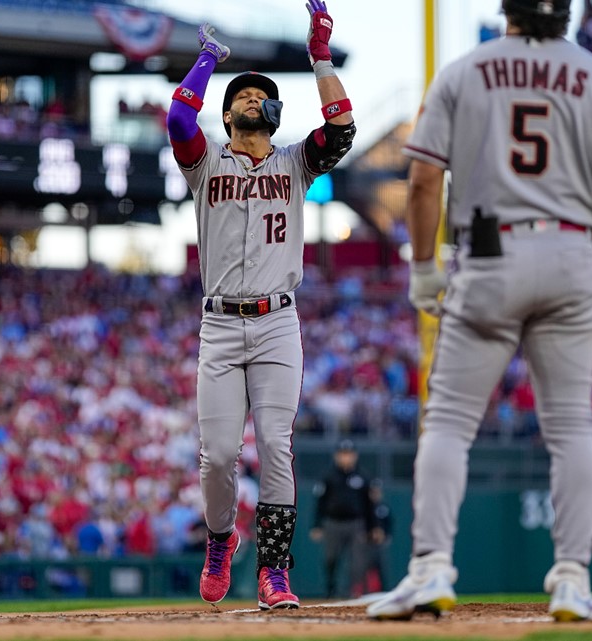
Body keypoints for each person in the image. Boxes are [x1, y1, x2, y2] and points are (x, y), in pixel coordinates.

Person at [367, 0, 592, 623]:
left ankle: (431, 567)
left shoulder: (462, 72)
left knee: (448, 422)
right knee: (570, 429)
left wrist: (424, 267)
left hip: (489, 254)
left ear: (509, 9)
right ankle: (574, 581)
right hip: (571, 254)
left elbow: (423, 181)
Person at [165, 0, 355, 610]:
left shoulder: (297, 162)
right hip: (219, 324)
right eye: (242, 96)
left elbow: (343, 128)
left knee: (277, 443)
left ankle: (274, 572)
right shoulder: (206, 163)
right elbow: (177, 119)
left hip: (277, 322)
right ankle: (221, 540)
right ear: (226, 112)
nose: (252, 99)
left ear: (274, 112)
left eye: (260, 95)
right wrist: (206, 61)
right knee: (218, 456)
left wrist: (320, 58)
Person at [310, 440, 384, 598]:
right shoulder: (328, 476)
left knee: (358, 562)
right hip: (333, 523)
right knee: (331, 559)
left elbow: (370, 505)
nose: (346, 458)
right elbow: (320, 502)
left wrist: (374, 527)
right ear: (337, 456)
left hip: (356, 524)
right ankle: (331, 589)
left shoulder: (363, 477)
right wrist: (317, 525)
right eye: (343, 454)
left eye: (349, 454)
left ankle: (353, 592)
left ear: (355, 456)